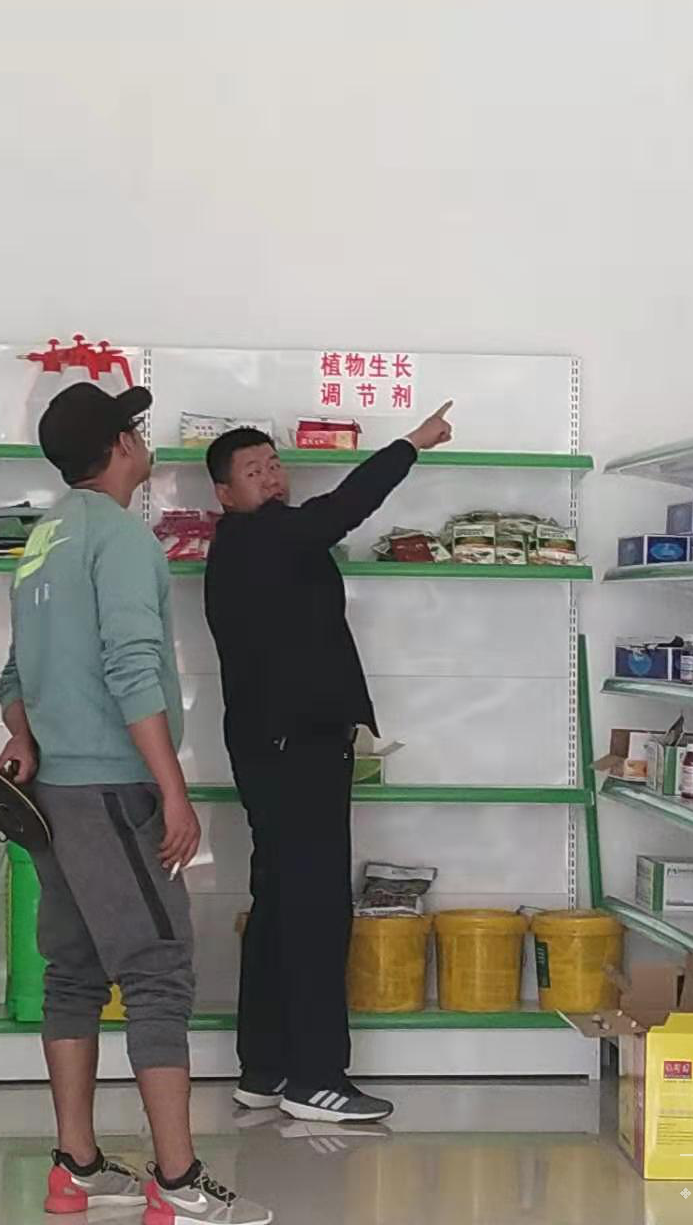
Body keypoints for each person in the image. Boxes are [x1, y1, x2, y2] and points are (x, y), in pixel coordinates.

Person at [0, 380, 271, 1225]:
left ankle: (76, 1168)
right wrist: (172, 790)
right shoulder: (119, 538)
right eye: (135, 429)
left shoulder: (43, 539)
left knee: (74, 972)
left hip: (50, 794)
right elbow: (131, 666)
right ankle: (179, 1182)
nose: (142, 440)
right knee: (157, 972)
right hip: (112, 790)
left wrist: (23, 738)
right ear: (119, 446)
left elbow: (15, 675)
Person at [203, 402, 454, 1125]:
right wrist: (411, 444)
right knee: (314, 911)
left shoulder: (261, 541)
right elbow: (339, 511)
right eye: (253, 471)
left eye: (274, 464)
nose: (270, 477)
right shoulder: (260, 537)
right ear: (224, 493)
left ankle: (264, 1069)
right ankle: (316, 1078)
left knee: (280, 907)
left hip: (277, 746)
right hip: (295, 750)